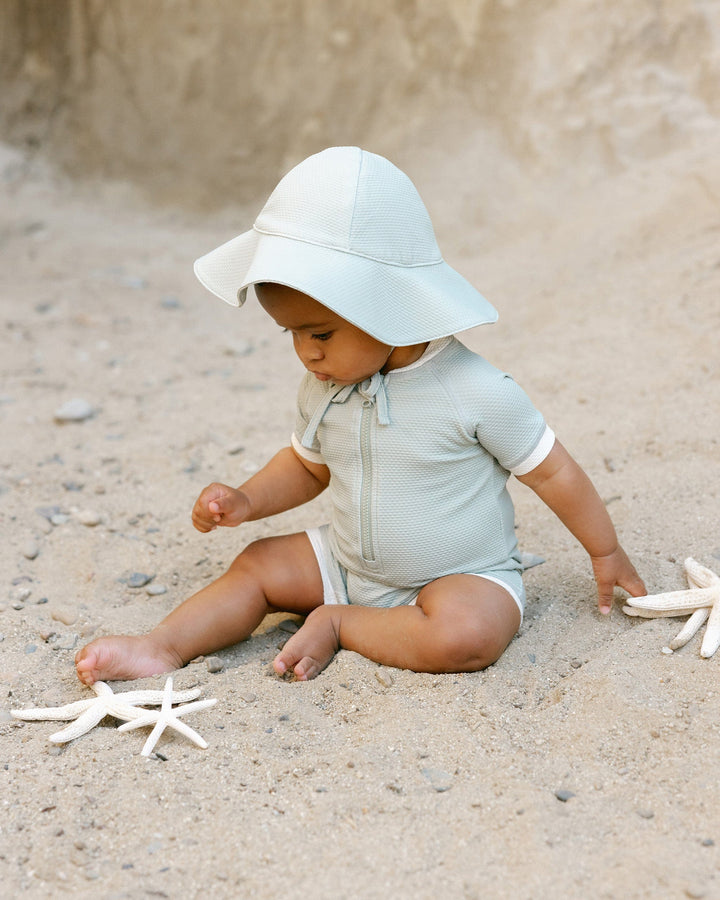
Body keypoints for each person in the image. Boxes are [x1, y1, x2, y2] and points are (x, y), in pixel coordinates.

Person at [75, 146, 645, 685]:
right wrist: (247, 500)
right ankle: (162, 647)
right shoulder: (324, 385)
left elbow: (552, 471)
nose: (306, 352)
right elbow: (307, 467)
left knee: (468, 636)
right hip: (348, 563)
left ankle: (341, 623)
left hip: (460, 575)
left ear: (387, 302)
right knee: (257, 564)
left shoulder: (475, 389)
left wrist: (604, 549)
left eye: (320, 333)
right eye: (291, 333)